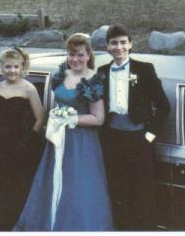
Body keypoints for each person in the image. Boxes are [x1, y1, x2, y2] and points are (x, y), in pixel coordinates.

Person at [14, 33, 114, 231]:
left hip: (81, 143)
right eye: (71, 55)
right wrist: (57, 117)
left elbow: (98, 118)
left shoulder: (92, 80)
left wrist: (70, 119)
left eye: (79, 55)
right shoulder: (61, 74)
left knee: (76, 187)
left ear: (88, 55)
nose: (75, 59)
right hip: (58, 139)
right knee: (51, 183)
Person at [97, 24, 170, 230]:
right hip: (111, 139)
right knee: (117, 190)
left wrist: (148, 136)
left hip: (138, 139)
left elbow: (163, 107)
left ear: (130, 44)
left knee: (142, 192)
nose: (119, 47)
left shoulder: (144, 69)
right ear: (107, 46)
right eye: (114, 43)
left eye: (123, 42)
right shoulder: (101, 72)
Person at [0, 47, 45, 230]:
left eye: (15, 67)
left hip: (22, 145)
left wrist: (26, 142)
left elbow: (40, 119)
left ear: (22, 67)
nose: (11, 71)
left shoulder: (28, 88)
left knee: (17, 186)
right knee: (0, 183)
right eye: (7, 67)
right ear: (2, 67)